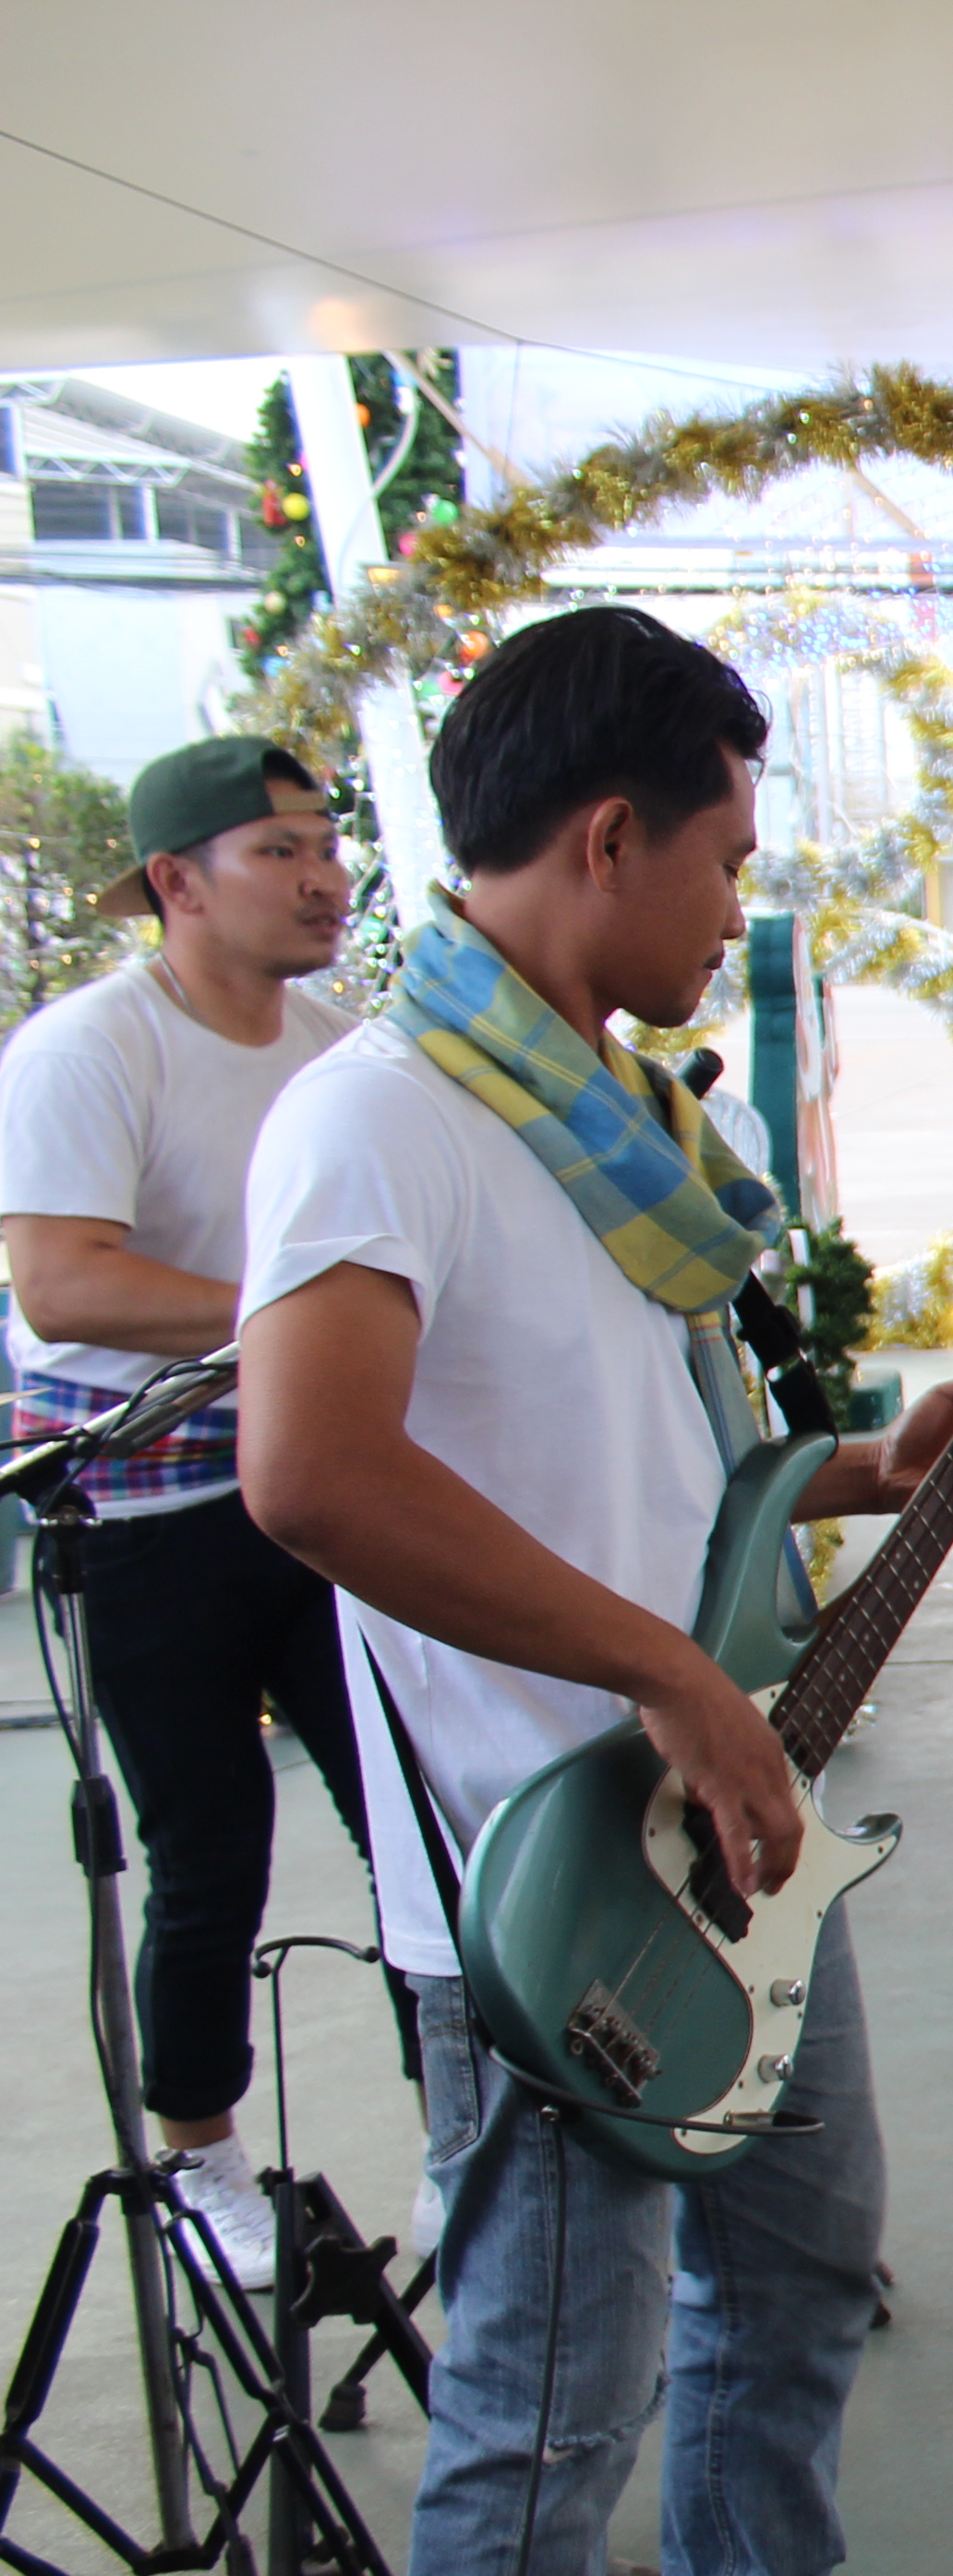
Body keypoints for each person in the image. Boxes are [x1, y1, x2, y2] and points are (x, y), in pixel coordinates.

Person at [234, 607, 953, 2576]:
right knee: (543, 2390)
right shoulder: (385, 1117)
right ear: (604, 837)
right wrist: (675, 1676)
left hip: (727, 1824)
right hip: (549, 1872)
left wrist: (870, 1466)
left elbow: (657, 1479)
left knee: (803, 2251)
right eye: (721, 851)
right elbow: (314, 1469)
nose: (736, 901)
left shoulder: (607, 1121)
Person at [0, 737, 380, 2284]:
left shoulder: (343, 1045)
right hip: (141, 1511)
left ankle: (481, 2111)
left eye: (326, 846)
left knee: (411, 1808)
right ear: (176, 883)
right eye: (278, 850)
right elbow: (61, 1280)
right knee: (209, 1843)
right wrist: (289, 1316)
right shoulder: (86, 1051)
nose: (321, 878)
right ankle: (204, 2163)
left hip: (317, 1487)